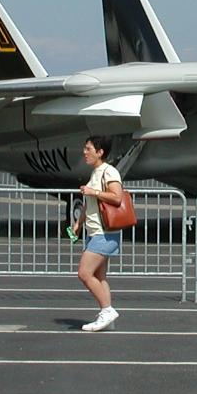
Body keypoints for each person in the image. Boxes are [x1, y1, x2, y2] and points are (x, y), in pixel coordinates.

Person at [72, 135, 124, 332]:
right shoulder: (95, 173)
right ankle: (106, 316)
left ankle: (107, 310)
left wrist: (93, 192)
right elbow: (89, 204)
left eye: (88, 149)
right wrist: (78, 223)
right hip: (95, 232)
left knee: (84, 273)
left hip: (105, 233)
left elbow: (117, 197)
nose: (85, 152)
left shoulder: (109, 172)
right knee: (100, 277)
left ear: (100, 152)